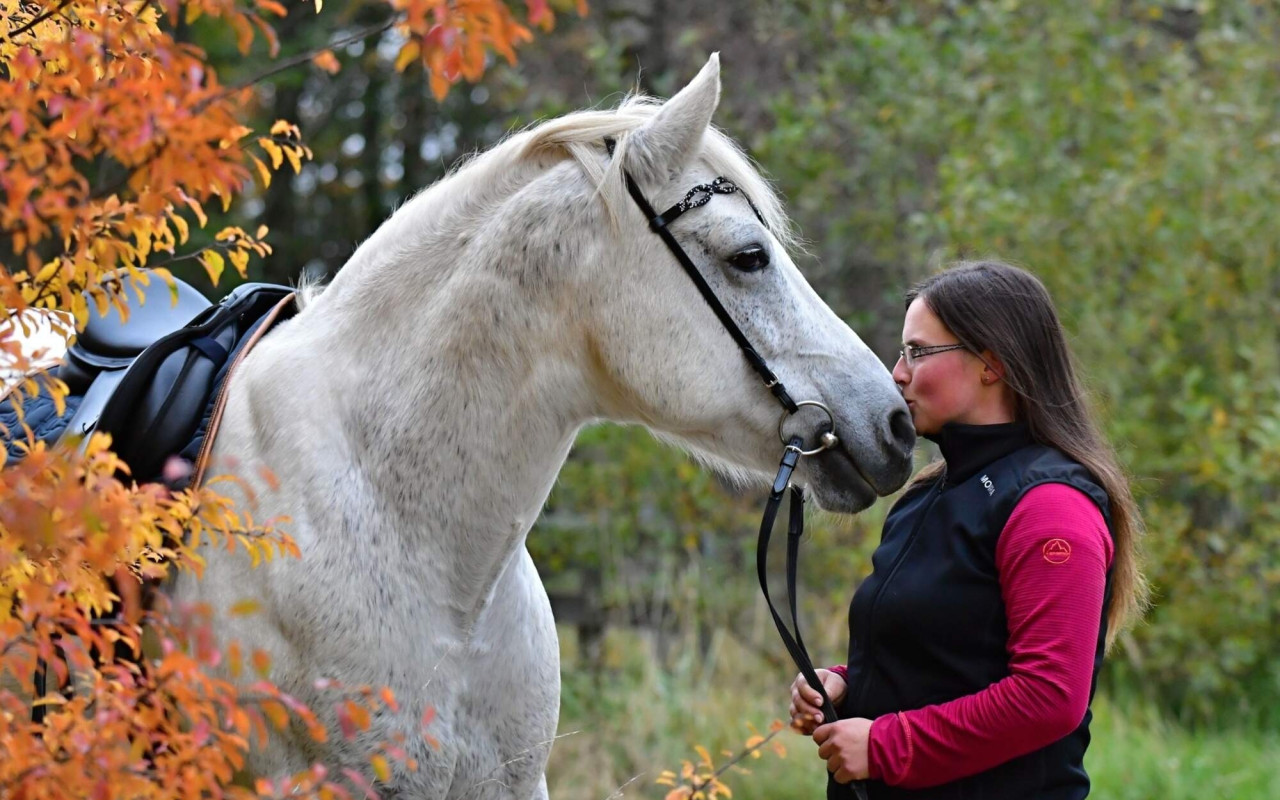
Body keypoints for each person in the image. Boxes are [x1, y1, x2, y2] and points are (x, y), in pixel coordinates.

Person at [786, 261, 1148, 799]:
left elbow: (1048, 697)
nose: (898, 374)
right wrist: (846, 682)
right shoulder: (927, 495)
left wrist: (886, 745)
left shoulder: (1051, 506)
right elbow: (943, 653)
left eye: (918, 352)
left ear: (991, 365)